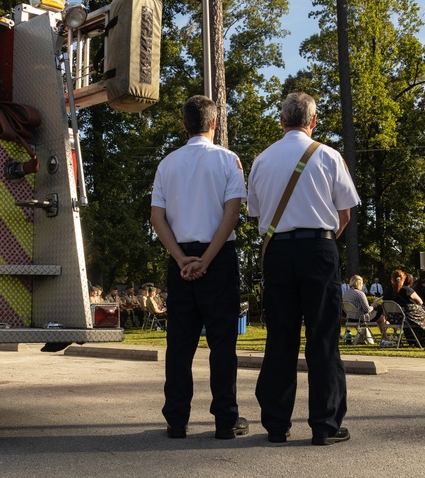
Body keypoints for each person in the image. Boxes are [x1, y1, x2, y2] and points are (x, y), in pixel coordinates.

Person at [248, 92, 360, 446]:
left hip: (278, 250)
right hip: (319, 248)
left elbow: (256, 214)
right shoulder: (328, 155)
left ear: (281, 121)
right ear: (314, 121)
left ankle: (277, 424)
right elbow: (344, 213)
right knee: (323, 337)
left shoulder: (262, 160)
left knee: (280, 337)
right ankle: (324, 424)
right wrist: (324, 240)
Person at [149, 94, 248, 441]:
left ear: (184, 124)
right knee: (222, 344)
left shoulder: (167, 164)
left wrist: (180, 259)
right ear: (214, 124)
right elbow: (231, 214)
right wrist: (207, 259)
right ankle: (225, 420)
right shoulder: (228, 160)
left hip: (181, 258)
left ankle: (176, 419)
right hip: (217, 258)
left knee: (179, 344)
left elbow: (156, 216)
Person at [341, 274, 388, 343]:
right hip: (360, 318)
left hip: (350, 318)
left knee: (379, 316)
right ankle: (385, 337)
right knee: (381, 317)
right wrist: (373, 305)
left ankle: (385, 332)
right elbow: (367, 310)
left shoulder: (346, 294)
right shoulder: (360, 293)